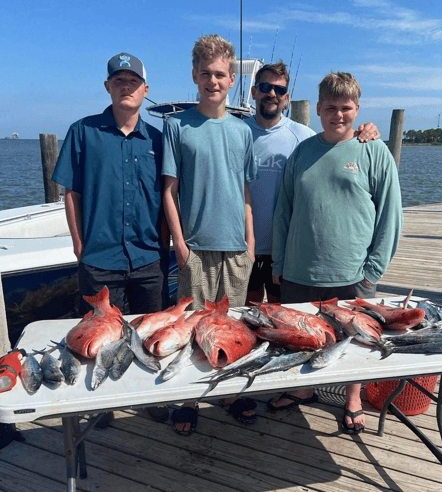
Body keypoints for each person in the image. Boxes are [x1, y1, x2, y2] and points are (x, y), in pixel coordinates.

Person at [271, 71, 403, 433]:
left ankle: (353, 397)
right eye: (331, 108)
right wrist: (279, 262)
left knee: (356, 343)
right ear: (317, 109)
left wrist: (372, 271)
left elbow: (391, 216)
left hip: (352, 275)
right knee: (300, 336)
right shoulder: (302, 152)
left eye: (346, 108)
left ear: (357, 109)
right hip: (299, 271)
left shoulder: (374, 151)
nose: (338, 115)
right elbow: (283, 211)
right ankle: (302, 389)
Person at [52, 52, 171, 427]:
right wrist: (78, 244)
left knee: (150, 333)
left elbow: (168, 196)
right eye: (118, 80)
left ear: (145, 89)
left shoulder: (157, 139)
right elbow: (70, 191)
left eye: (132, 81)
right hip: (100, 257)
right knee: (98, 337)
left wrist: (166, 247)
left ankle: (152, 396)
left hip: (148, 256)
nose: (126, 86)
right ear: (107, 86)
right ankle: (101, 403)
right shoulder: (82, 132)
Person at [162, 35, 258, 435]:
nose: (213, 81)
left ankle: (230, 393)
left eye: (220, 74)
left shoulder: (243, 132)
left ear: (232, 78)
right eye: (206, 74)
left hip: (237, 249)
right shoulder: (176, 126)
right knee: (194, 327)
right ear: (195, 76)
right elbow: (169, 190)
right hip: (196, 250)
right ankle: (189, 397)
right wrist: (180, 245)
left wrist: (251, 246)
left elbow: (246, 192)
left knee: (231, 328)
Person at [245, 61, 380, 305]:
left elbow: (338, 141)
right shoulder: (237, 131)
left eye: (280, 90)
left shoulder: (303, 138)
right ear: (254, 91)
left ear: (287, 98)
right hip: (244, 250)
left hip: (286, 258)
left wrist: (368, 131)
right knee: (244, 320)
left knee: (283, 323)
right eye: (265, 86)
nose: (272, 93)